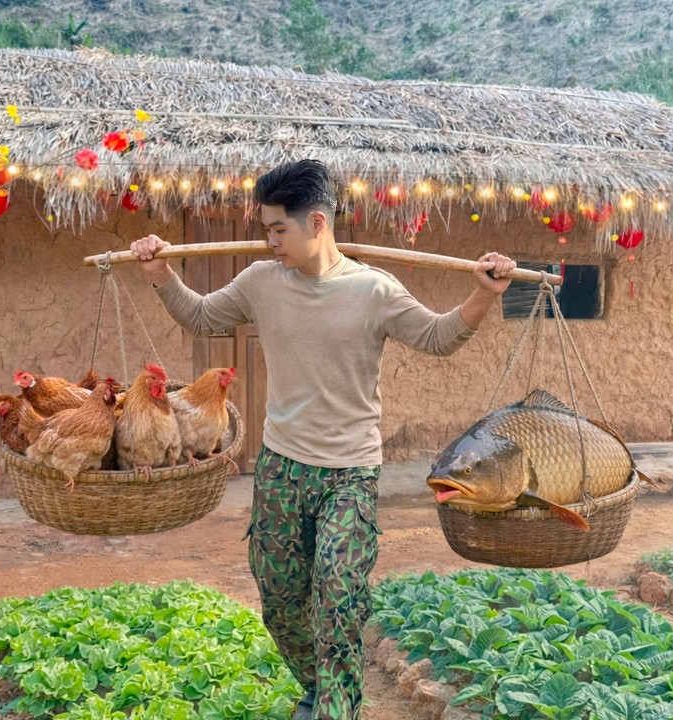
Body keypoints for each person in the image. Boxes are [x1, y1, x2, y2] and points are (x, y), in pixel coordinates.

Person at [130, 159, 515, 720]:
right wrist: (161, 274)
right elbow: (203, 317)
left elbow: (438, 337)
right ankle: (318, 687)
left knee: (340, 598)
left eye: (277, 229)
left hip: (349, 474)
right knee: (281, 603)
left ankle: (338, 709)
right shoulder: (261, 282)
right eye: (265, 229)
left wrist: (483, 294)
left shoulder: (374, 290)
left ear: (316, 223)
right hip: (282, 468)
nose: (269, 241)